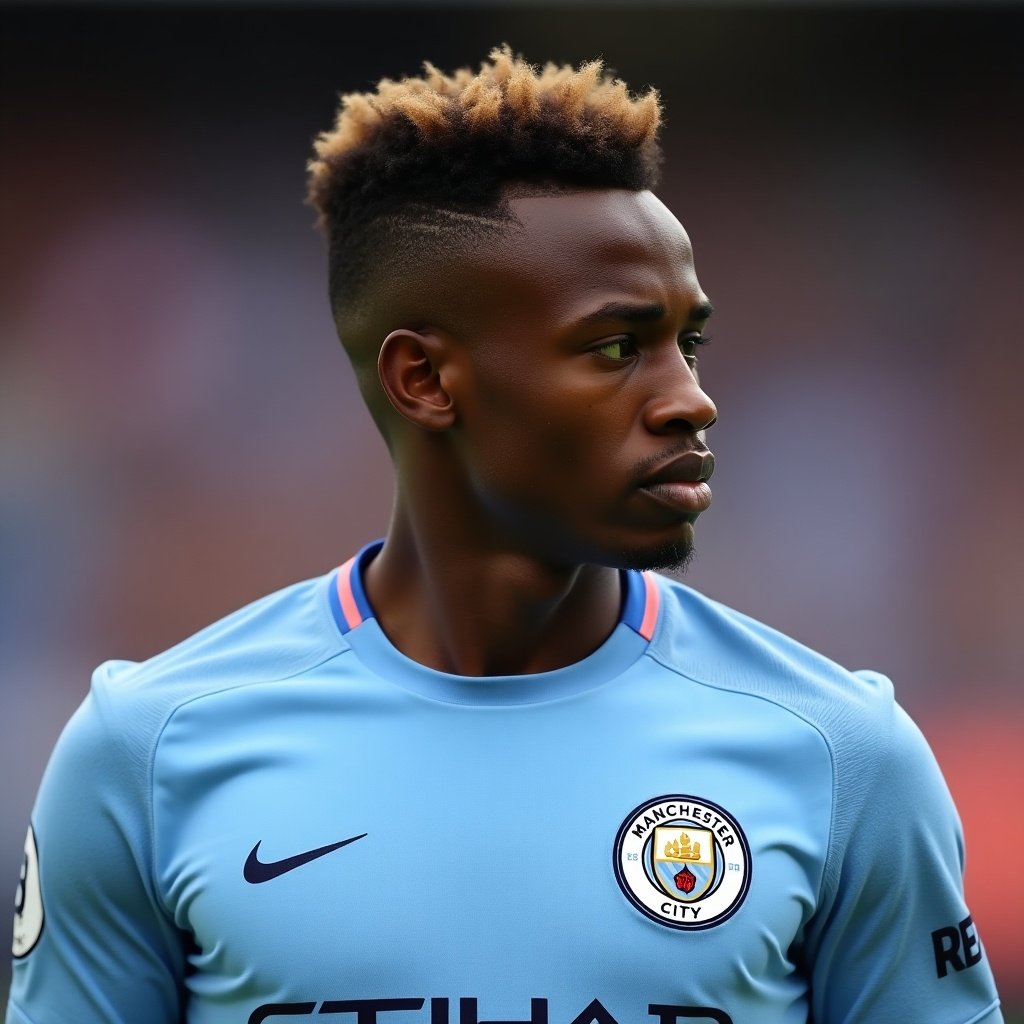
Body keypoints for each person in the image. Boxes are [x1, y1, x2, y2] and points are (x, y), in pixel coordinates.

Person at [7, 46, 1003, 1024]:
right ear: (425, 381)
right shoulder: (146, 753)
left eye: (684, 343)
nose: (689, 401)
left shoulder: (841, 756)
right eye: (615, 347)